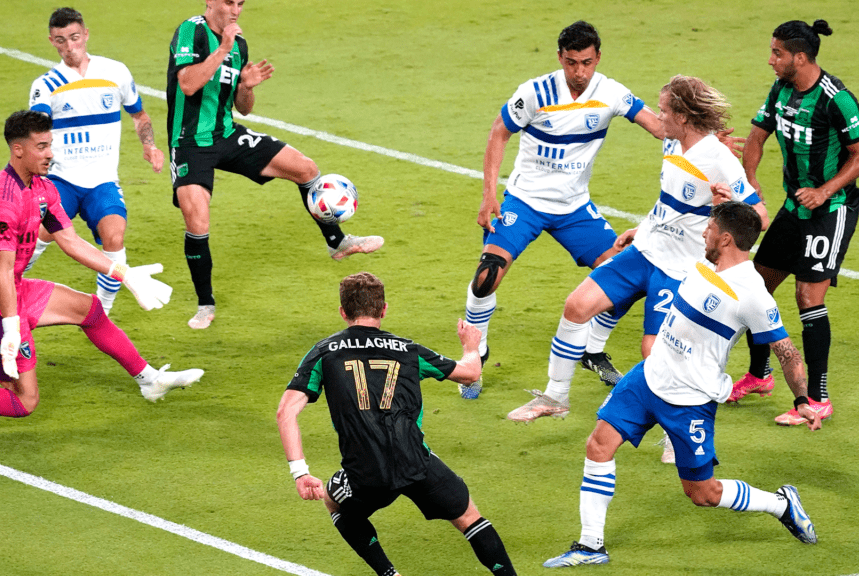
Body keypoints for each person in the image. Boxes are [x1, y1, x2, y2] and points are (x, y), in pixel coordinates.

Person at [542, 201, 820, 568]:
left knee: (702, 493)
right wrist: (640, 234)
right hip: (650, 374)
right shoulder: (705, 259)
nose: (703, 232)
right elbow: (671, 226)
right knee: (598, 445)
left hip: (690, 399)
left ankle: (781, 504)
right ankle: (591, 545)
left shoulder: (752, 294)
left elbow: (787, 353)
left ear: (724, 238)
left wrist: (802, 398)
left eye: (709, 228)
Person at [0, 111, 203, 442]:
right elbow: (1, 270)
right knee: (25, 400)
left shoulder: (42, 189)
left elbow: (70, 241)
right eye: (41, 147)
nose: (50, 154)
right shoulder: (2, 202)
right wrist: (11, 329)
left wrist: (123, 273)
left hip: (15, 290)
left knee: (91, 311)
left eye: (50, 145)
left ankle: (149, 380)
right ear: (18, 150)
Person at [509, 76, 768, 435]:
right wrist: (643, 228)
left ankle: (673, 430)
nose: (657, 119)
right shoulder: (672, 144)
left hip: (680, 268)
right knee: (577, 306)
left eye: (663, 112)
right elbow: (668, 201)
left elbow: (760, 218)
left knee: (655, 351)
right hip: (646, 250)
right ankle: (555, 398)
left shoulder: (719, 159)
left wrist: (726, 207)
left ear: (682, 115)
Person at [461, 20, 668, 398]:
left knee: (629, 279)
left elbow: (658, 127)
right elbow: (499, 132)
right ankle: (477, 350)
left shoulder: (611, 93)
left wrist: (702, 134)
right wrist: (490, 195)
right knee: (487, 275)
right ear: (560, 58)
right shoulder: (535, 92)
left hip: (574, 208)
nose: (579, 72)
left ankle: (591, 348)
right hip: (525, 202)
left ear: (598, 58)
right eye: (572, 62)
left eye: (587, 62)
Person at [276, 272, 517, 576]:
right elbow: (470, 374)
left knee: (332, 501)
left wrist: (300, 473)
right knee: (469, 517)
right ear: (384, 309)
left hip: (364, 472)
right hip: (416, 461)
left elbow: (285, 412)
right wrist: (471, 345)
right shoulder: (408, 351)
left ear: (342, 312)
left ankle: (389, 574)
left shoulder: (325, 353)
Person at [167, 0, 383, 330]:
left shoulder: (239, 43)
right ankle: (205, 303)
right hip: (190, 142)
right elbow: (187, 83)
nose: (236, 10)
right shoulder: (191, 30)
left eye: (241, 3)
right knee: (197, 218)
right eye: (229, 2)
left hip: (226, 134)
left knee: (305, 168)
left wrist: (246, 87)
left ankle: (337, 242)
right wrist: (222, 48)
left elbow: (244, 108)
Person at [731, 19, 859, 425]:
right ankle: (759, 374)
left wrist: (824, 191)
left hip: (832, 208)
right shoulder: (781, 89)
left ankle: (818, 399)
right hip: (794, 206)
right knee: (756, 285)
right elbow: (755, 138)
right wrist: (752, 188)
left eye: (777, 53)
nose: (771, 60)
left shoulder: (836, 100)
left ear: (799, 57)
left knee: (808, 297)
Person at [24, 7, 166, 315]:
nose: (70, 47)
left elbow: (139, 114)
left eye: (75, 38)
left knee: (114, 236)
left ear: (86, 35)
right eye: (61, 41)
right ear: (52, 41)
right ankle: (11, 281)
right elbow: (36, 128)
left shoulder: (115, 72)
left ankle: (103, 309)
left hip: (102, 181)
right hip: (61, 180)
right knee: (39, 235)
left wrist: (150, 145)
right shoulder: (46, 84)